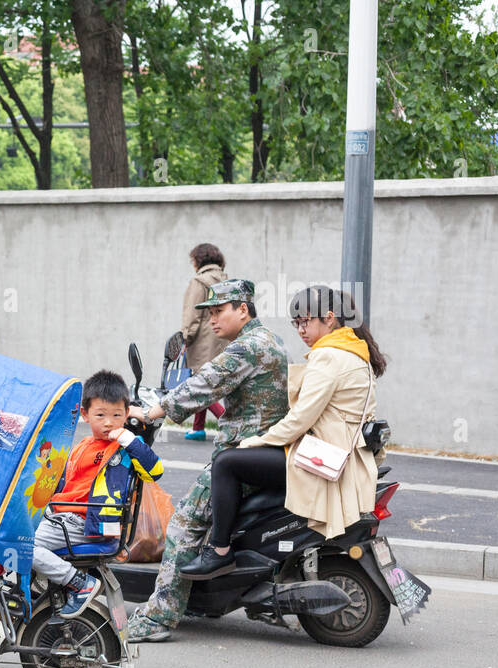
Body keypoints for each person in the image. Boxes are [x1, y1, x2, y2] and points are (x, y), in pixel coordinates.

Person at [181, 286, 388, 579]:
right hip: (345, 455)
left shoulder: (329, 355)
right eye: (296, 323)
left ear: (329, 318)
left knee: (226, 463)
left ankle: (219, 551)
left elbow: (300, 419)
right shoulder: (354, 350)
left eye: (306, 321)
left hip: (324, 460)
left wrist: (254, 441)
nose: (301, 329)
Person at [125, 279, 289, 642]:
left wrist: (152, 411)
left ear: (242, 310)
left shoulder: (246, 348)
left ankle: (159, 617)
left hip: (242, 455)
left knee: (182, 525)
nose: (212, 320)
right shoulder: (271, 340)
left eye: (218, 311)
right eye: (209, 313)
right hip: (263, 451)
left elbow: (205, 384)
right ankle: (197, 596)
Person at [32, 370, 164, 615]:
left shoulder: (123, 449)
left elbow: (154, 471)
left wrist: (130, 439)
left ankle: (79, 583)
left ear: (126, 414)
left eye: (117, 415)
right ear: (85, 414)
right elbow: (62, 483)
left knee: (21, 546)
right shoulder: (83, 446)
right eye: (100, 415)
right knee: (11, 531)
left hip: (86, 523)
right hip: (62, 517)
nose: (109, 422)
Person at [181, 243, 228, 440]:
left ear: (198, 260)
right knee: (206, 380)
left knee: (202, 385)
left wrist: (185, 338)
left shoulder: (199, 281)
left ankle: (228, 422)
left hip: (203, 340)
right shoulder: (226, 281)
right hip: (223, 338)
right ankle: (198, 428)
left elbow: (192, 315)